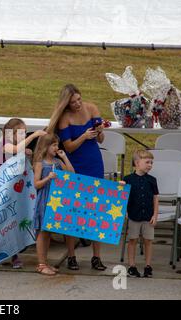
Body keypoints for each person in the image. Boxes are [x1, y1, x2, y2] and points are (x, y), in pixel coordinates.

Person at [47, 84, 107, 271]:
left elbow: (100, 140)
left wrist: (99, 131)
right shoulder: (65, 118)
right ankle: (71, 256)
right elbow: (69, 147)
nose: (78, 104)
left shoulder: (92, 108)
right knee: (71, 211)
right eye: (73, 102)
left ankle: (96, 256)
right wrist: (84, 136)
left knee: (97, 210)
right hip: (74, 165)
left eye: (79, 99)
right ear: (66, 103)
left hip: (94, 162)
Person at [0, 118, 47, 268]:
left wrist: (27, 154)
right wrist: (32, 136)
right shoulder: (5, 145)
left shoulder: (19, 146)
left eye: (26, 133)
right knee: (5, 222)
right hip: (4, 192)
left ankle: (15, 253)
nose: (24, 135)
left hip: (17, 191)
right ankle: (5, 253)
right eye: (22, 133)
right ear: (11, 134)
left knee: (16, 221)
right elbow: (12, 151)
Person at [33, 134, 74, 275]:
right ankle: (41, 264)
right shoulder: (40, 163)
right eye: (54, 145)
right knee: (42, 232)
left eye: (57, 145)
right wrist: (47, 178)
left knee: (48, 232)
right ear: (46, 146)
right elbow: (36, 184)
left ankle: (45, 262)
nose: (57, 147)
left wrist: (65, 157)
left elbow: (71, 173)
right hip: (44, 199)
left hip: (55, 201)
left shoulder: (57, 162)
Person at [123, 150, 159, 278]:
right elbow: (121, 197)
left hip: (148, 216)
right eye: (147, 162)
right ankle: (132, 266)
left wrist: (155, 215)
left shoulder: (152, 180)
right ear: (137, 163)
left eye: (151, 162)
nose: (150, 165)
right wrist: (120, 187)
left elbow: (155, 198)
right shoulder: (127, 179)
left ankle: (148, 266)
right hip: (134, 216)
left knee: (148, 241)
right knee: (132, 240)